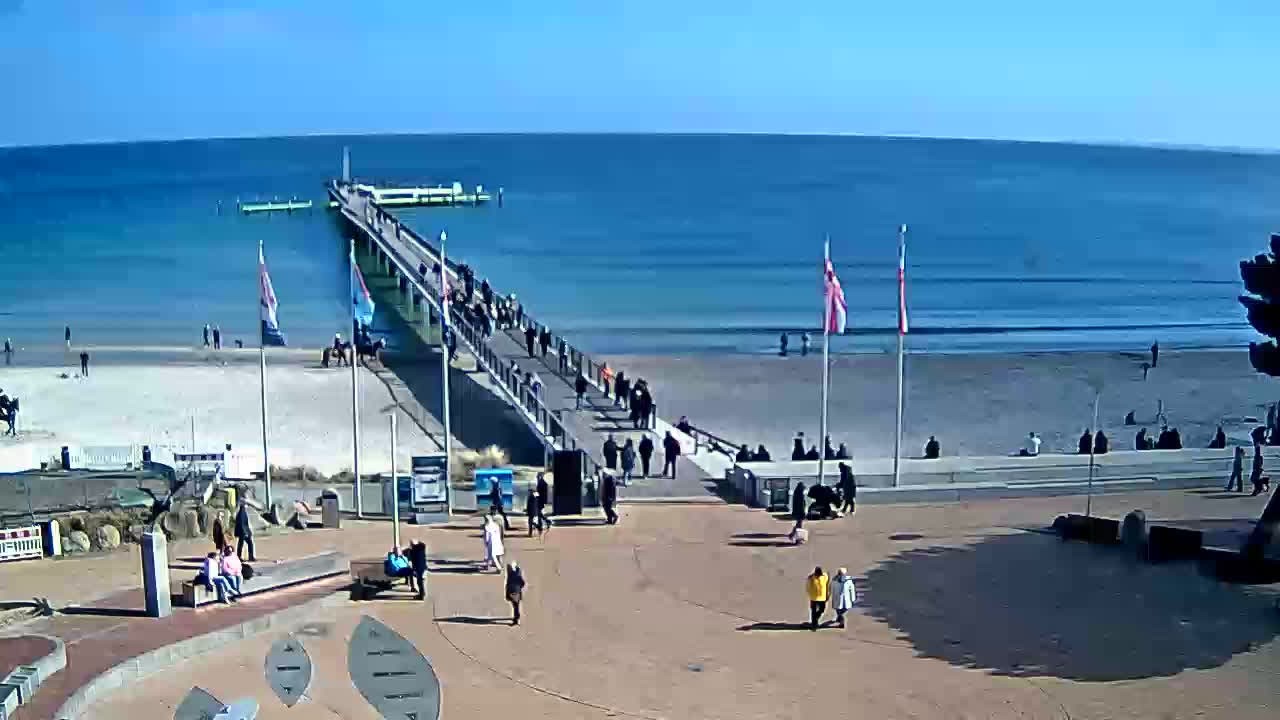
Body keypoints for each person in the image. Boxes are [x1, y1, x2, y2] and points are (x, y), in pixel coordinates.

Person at [805, 566, 829, 631]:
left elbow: (827, 581)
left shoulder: (824, 577)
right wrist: (810, 594)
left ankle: (815, 620)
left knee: (822, 610)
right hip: (814, 598)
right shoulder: (811, 578)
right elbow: (808, 587)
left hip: (822, 598)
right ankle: (814, 626)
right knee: (813, 611)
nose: (818, 575)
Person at [505, 562, 526, 626]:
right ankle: (517, 617)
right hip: (516, 592)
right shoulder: (517, 573)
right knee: (516, 606)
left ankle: (516, 620)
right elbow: (523, 583)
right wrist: (519, 588)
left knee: (515, 607)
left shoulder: (511, 574)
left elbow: (508, 585)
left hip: (513, 592)